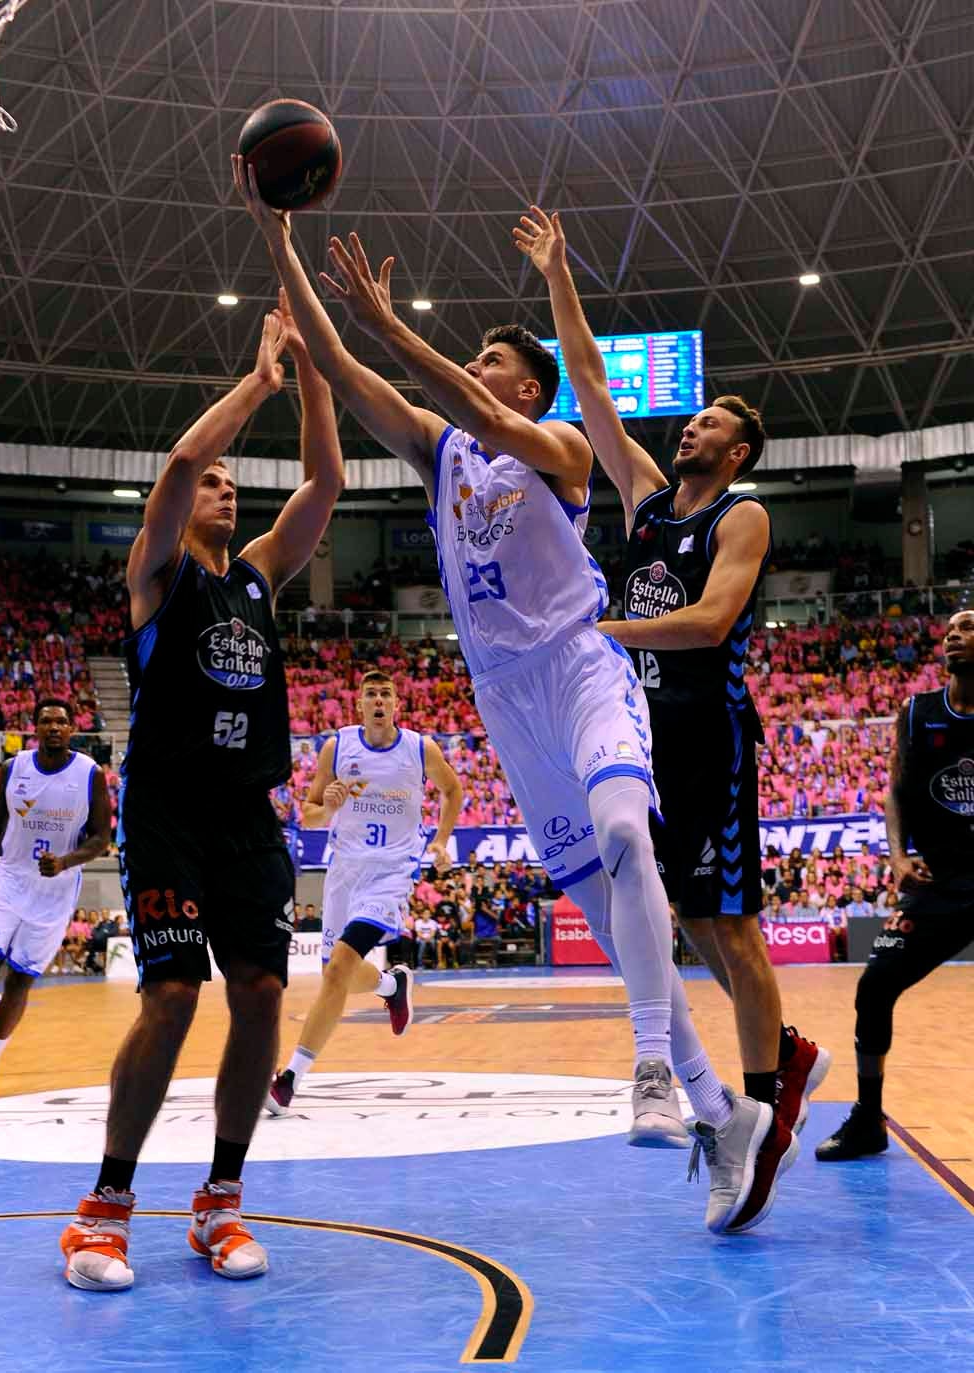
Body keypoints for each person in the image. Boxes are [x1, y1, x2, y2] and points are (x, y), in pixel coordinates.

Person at [235, 158, 778, 1235]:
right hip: (504, 699)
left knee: (628, 829)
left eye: (492, 360)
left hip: (579, 664)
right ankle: (723, 1112)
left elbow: (462, 393)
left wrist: (398, 327)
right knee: (604, 910)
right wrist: (277, 239)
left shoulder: (564, 450)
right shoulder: (442, 457)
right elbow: (343, 371)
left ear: (527, 387)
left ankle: (650, 1075)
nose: (477, 372)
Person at [514, 204, 830, 1231]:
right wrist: (560, 272)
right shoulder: (647, 498)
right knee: (676, 914)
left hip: (707, 728)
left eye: (710, 427)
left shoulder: (742, 514)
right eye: (692, 421)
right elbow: (594, 387)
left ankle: (762, 1104)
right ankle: (767, 1067)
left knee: (728, 924)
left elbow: (708, 620)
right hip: (643, 728)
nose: (689, 428)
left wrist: (599, 630)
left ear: (737, 454)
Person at [58, 297, 344, 1291]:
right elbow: (177, 468)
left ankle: (220, 1201)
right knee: (173, 994)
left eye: (232, 483)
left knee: (263, 994)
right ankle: (102, 1208)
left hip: (248, 817)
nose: (221, 488)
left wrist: (310, 364)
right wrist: (258, 381)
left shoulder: (260, 576)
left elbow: (325, 480)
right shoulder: (159, 575)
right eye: (214, 483)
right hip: (167, 811)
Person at [266, 670, 462, 1113]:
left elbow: (453, 790)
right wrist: (328, 805)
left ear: (396, 705)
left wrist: (441, 841)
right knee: (341, 977)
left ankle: (291, 1077)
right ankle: (392, 987)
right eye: (370, 693)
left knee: (338, 971)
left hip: (391, 872)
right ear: (359, 705)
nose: (378, 700)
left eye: (385, 694)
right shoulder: (337, 747)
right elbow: (311, 816)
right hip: (345, 871)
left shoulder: (419, 748)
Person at [817, 609, 974, 1160]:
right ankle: (868, 1119)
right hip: (939, 884)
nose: (956, 635)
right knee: (875, 985)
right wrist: (898, 854)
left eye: (970, 627)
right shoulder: (919, 713)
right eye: (952, 629)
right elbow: (894, 790)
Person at [0, 699, 112, 1097]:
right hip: (9, 879)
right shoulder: (13, 768)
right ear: (35, 727)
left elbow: (101, 837)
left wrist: (67, 860)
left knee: (20, 979)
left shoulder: (89, 773)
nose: (55, 727)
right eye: (47, 721)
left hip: (54, 892)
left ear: (72, 730)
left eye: (62, 722)